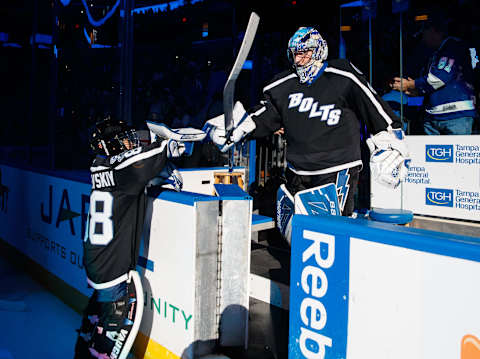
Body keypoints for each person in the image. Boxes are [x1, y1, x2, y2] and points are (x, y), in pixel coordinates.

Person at [204, 27, 410, 222]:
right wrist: (239, 127)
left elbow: (374, 107)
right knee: (299, 232)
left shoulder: (343, 75)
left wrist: (391, 139)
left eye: (305, 52)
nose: (299, 59)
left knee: (332, 230)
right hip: (298, 170)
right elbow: (266, 114)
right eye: (295, 53)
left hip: (337, 168)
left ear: (319, 50)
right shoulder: (282, 84)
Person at [74, 116, 192, 359]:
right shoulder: (122, 171)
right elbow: (137, 168)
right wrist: (165, 147)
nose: (130, 143)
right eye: (123, 141)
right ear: (111, 147)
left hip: (97, 261)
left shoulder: (101, 166)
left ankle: (83, 347)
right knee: (108, 335)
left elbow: (132, 172)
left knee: (94, 320)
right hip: (111, 268)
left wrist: (158, 170)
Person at [391, 10, 477, 135]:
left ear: (434, 31)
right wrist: (417, 90)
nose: (422, 39)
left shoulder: (452, 47)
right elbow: (434, 83)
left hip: (455, 115)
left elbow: (439, 78)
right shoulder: (437, 52)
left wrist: (412, 84)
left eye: (423, 34)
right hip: (434, 116)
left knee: (455, 153)